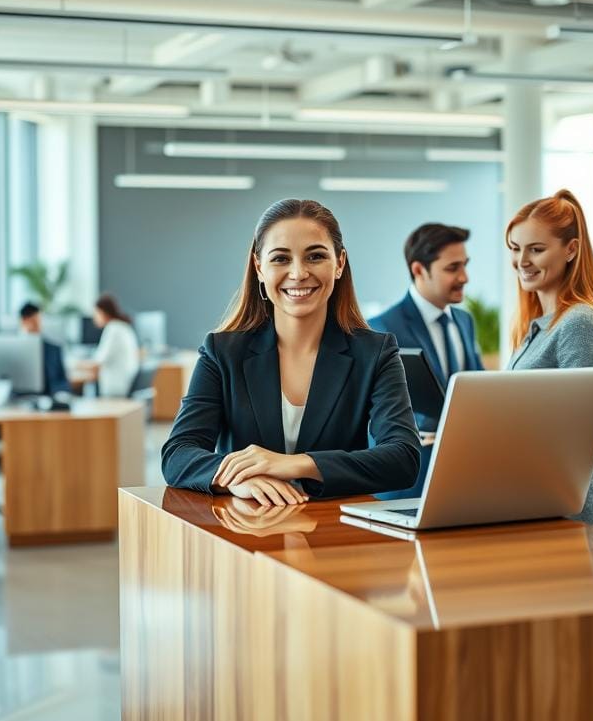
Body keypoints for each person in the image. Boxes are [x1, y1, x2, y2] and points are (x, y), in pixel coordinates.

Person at [161, 198, 421, 505]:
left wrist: (297, 464)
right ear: (259, 268)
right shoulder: (223, 352)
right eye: (281, 259)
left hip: (337, 535)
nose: (298, 273)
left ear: (339, 263)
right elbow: (178, 452)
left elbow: (403, 457)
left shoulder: (375, 353)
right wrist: (237, 478)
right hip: (247, 531)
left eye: (315, 256)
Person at [505, 189, 593, 525]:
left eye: (536, 250)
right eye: (515, 248)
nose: (522, 261)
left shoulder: (578, 322)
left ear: (571, 250)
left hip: (570, 514)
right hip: (538, 503)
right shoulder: (537, 326)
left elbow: (578, 433)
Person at [368, 223, 483, 499]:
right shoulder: (383, 327)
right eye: (452, 268)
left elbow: (476, 388)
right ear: (419, 270)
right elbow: (374, 411)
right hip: (409, 482)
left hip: (462, 478)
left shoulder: (464, 321)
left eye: (465, 265)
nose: (464, 277)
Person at [78, 293, 139, 397]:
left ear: (103, 312)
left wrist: (75, 364)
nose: (94, 317)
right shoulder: (122, 326)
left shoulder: (113, 329)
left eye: (96, 313)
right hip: (125, 383)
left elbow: (98, 361)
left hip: (116, 388)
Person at [19, 302, 71, 396]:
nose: (38, 325)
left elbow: (63, 381)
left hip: (49, 400)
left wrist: (61, 396)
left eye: (39, 321)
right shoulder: (14, 350)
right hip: (19, 402)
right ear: (23, 321)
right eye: (34, 322)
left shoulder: (54, 349)